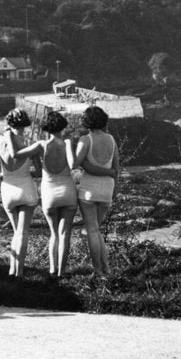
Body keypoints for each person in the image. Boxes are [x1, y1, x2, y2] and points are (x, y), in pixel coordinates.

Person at [11, 111, 78, 277]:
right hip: (68, 190)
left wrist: (10, 138)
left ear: (45, 128)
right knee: (65, 234)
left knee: (54, 234)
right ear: (62, 126)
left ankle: (52, 269)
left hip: (49, 192)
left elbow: (16, 156)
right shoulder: (68, 143)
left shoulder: (41, 145)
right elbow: (74, 164)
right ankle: (62, 272)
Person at [0, 108, 41, 277]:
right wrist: (27, 173)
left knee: (16, 233)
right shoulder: (28, 144)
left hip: (7, 189)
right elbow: (40, 172)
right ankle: (19, 272)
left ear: (8, 122)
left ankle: (12, 270)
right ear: (25, 124)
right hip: (26, 189)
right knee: (23, 233)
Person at [72, 105, 120, 279]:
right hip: (107, 188)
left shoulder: (86, 140)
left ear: (87, 122)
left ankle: (98, 271)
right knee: (96, 230)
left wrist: (72, 146)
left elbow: (75, 163)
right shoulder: (111, 139)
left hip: (89, 189)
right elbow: (116, 167)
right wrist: (115, 187)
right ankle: (106, 268)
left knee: (92, 230)